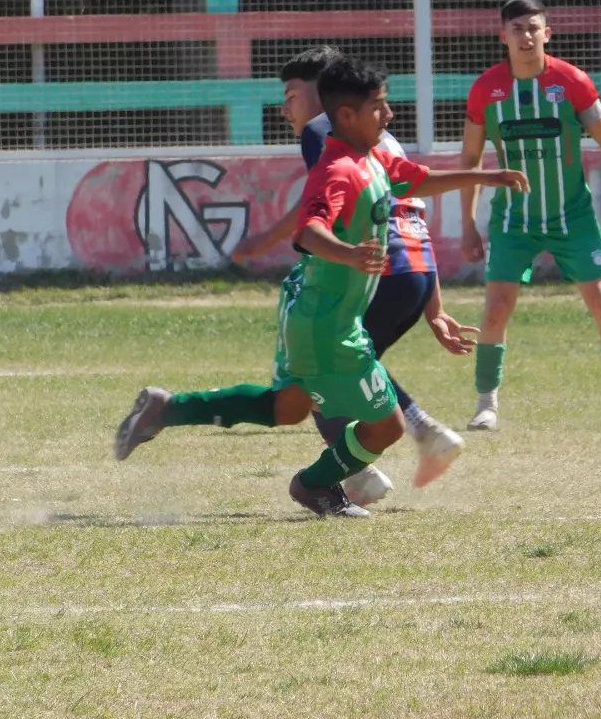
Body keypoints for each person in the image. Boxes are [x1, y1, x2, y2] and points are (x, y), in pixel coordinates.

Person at [114, 57, 529, 517]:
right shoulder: (337, 170)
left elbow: (419, 179)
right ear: (346, 115)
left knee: (289, 407)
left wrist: (488, 176)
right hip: (329, 325)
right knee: (386, 427)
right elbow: (309, 230)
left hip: (320, 314)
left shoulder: (372, 157)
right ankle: (316, 485)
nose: (389, 114)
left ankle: (167, 409)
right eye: (379, 106)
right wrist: (348, 253)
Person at [232, 46, 473, 499]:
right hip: (415, 266)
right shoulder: (381, 137)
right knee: (353, 361)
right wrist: (433, 304)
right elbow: (411, 212)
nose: (286, 108)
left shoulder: (322, 131)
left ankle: (362, 474)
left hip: (382, 265)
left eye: (291, 95)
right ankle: (416, 436)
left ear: (325, 91)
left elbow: (317, 213)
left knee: (321, 367)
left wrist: (263, 242)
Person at [458, 0, 601, 432]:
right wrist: (468, 225)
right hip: (513, 220)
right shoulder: (485, 90)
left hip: (573, 218)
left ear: (547, 34)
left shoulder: (572, 82)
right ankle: (485, 405)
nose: (526, 36)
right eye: (517, 29)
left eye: (533, 28)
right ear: (503, 36)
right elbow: (470, 160)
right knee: (496, 308)